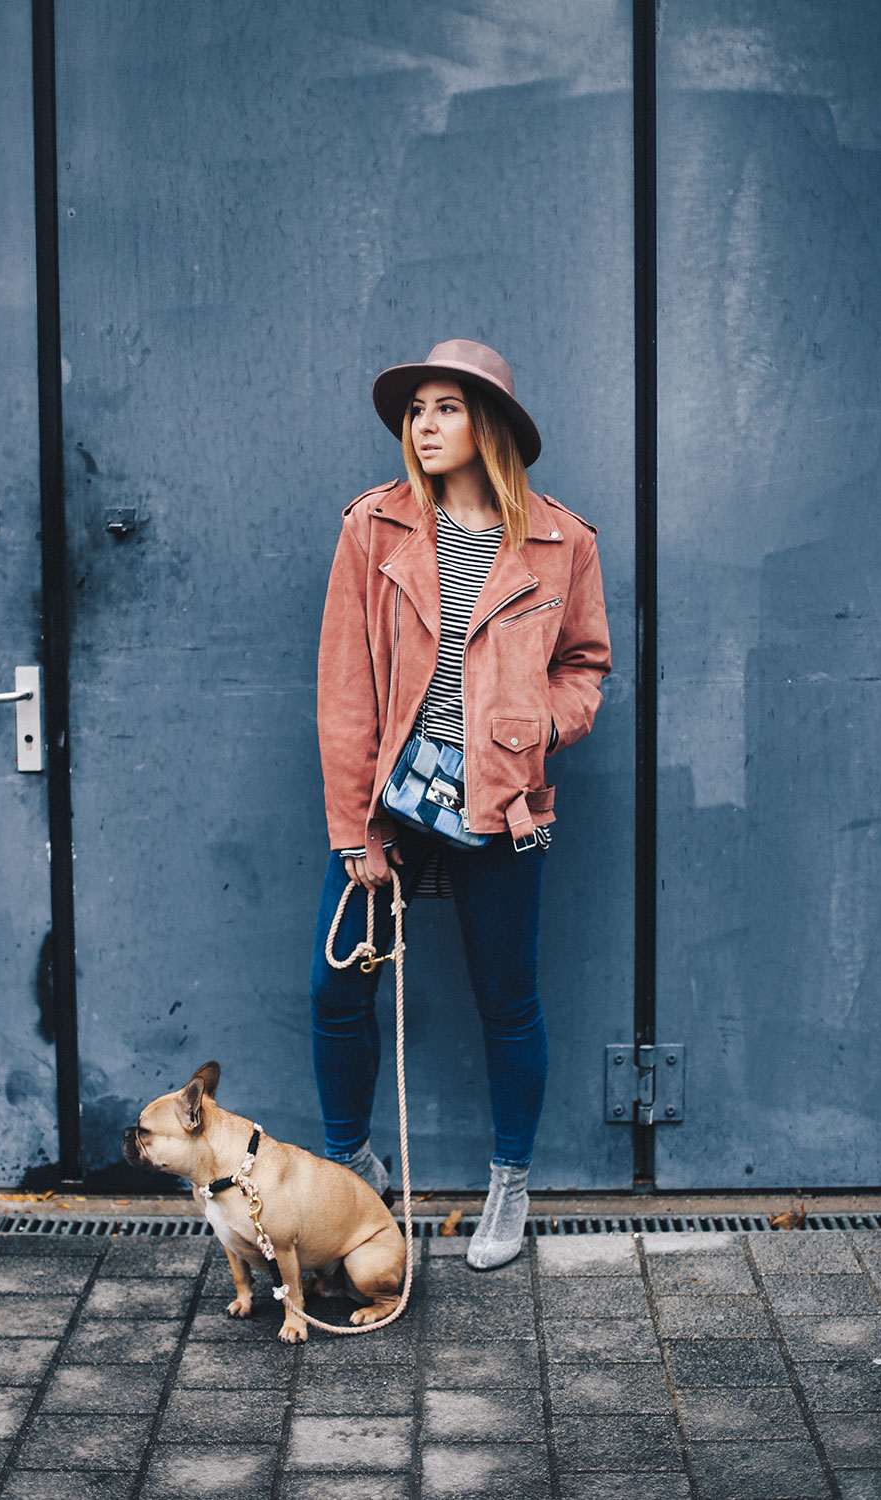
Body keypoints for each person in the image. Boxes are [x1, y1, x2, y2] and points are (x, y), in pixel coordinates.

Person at [310, 339, 611, 1268]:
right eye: (416, 410)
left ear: (490, 426)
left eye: (446, 407)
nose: (424, 425)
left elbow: (586, 666)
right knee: (335, 989)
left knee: (508, 1002)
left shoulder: (565, 541)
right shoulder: (375, 527)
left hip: (502, 804)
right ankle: (350, 1176)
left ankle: (509, 1186)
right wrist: (357, 826)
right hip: (393, 801)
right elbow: (346, 688)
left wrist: (532, 728)